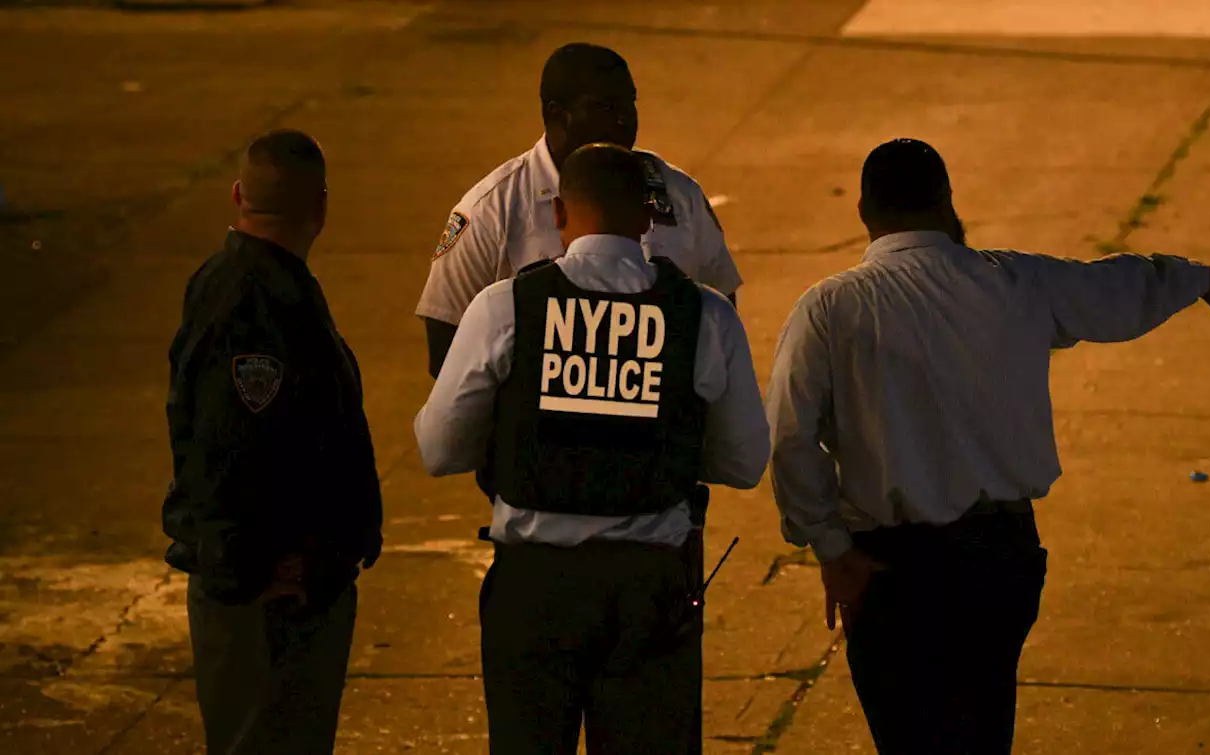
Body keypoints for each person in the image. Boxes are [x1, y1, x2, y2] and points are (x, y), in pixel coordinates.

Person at [766, 138, 1210, 755]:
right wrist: (1194, 278)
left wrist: (832, 547)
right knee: (982, 727)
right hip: (997, 559)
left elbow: (789, 436)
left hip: (890, 566)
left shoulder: (828, 308)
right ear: (946, 201)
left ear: (864, 211)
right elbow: (1113, 290)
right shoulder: (1014, 281)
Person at [414, 143, 769, 754]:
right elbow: (743, 463)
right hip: (650, 588)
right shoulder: (703, 315)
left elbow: (439, 449)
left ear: (558, 213)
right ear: (648, 217)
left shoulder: (506, 308)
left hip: (534, 586)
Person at [163, 129, 383, 755]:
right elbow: (234, 446)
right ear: (320, 207)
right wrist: (260, 566)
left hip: (270, 586)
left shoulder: (241, 281)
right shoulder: (256, 302)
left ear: (239, 196)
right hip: (269, 602)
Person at [415, 42, 744, 379]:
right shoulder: (490, 213)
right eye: (605, 107)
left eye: (630, 102)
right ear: (558, 116)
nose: (624, 119)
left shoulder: (679, 195)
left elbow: (721, 320)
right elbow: (447, 353)